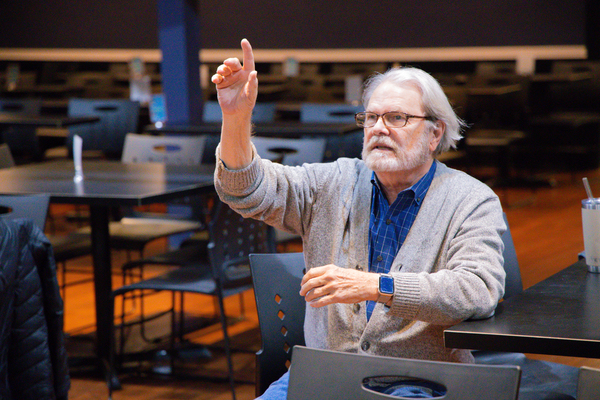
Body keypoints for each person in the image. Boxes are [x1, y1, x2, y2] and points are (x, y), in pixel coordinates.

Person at [212, 39, 506, 399]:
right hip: (324, 375)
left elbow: (477, 290)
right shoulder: (333, 182)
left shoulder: (471, 199)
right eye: (371, 117)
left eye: (397, 118)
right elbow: (246, 190)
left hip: (421, 382)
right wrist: (236, 118)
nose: (378, 128)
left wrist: (376, 286)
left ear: (434, 133)